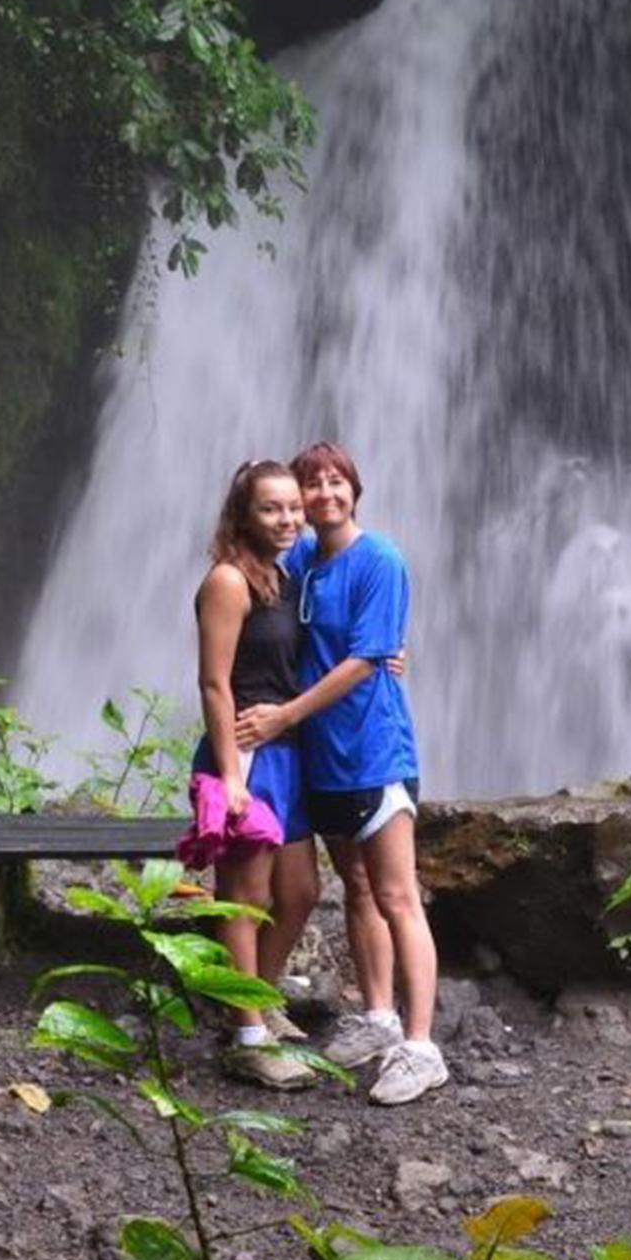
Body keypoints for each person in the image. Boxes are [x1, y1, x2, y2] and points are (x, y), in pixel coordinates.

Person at [236, 442, 445, 1106]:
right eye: (310, 487)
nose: (322, 495)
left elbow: (364, 659)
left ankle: (420, 1046)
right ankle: (379, 1016)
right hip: (319, 760)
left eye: (335, 483)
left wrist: (283, 715)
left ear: (355, 489)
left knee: (397, 896)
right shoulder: (301, 559)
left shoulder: (379, 559)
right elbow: (254, 588)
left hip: (374, 751)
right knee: (354, 886)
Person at [191, 460, 323, 1090]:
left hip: (287, 752)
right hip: (243, 753)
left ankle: (256, 998)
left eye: (294, 507)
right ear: (243, 514)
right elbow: (214, 682)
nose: (288, 519)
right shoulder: (228, 580)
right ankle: (247, 1037)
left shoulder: (286, 577)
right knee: (248, 896)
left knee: (299, 891)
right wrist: (229, 777)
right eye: (272, 508)